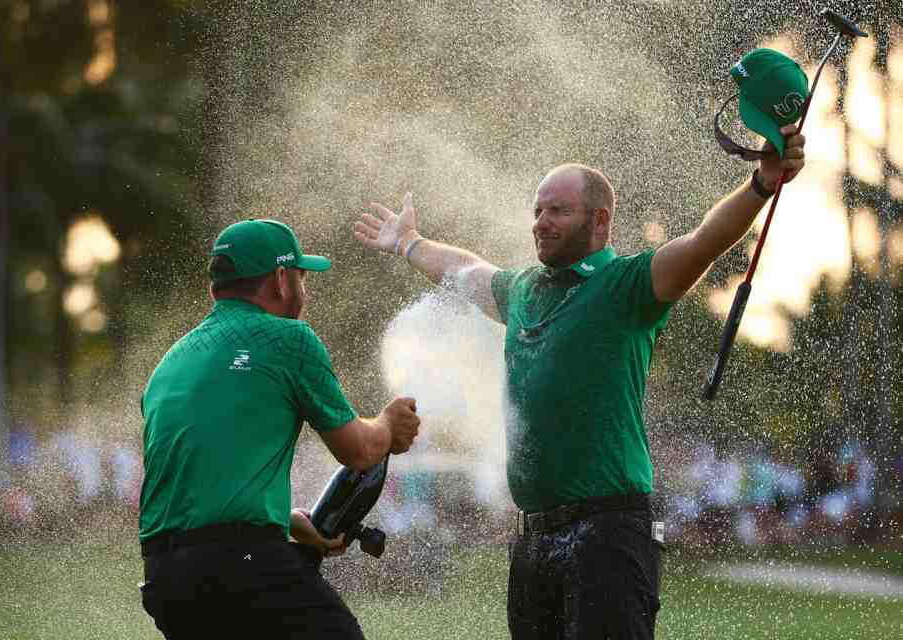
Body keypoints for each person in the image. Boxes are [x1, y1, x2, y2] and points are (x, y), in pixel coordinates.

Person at [354, 113, 806, 636]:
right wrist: (409, 242)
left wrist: (759, 184)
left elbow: (704, 240)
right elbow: (462, 269)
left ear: (600, 220)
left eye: (559, 211)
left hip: (610, 528)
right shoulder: (522, 290)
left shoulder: (627, 285)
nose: (541, 222)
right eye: (539, 210)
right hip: (534, 535)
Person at [138, 218, 421, 639]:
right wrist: (388, 423)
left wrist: (283, 520)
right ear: (281, 279)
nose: (304, 291)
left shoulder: (171, 362)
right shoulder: (289, 340)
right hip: (243, 565)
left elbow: (199, 482)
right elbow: (359, 451)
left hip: (166, 577)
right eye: (303, 277)